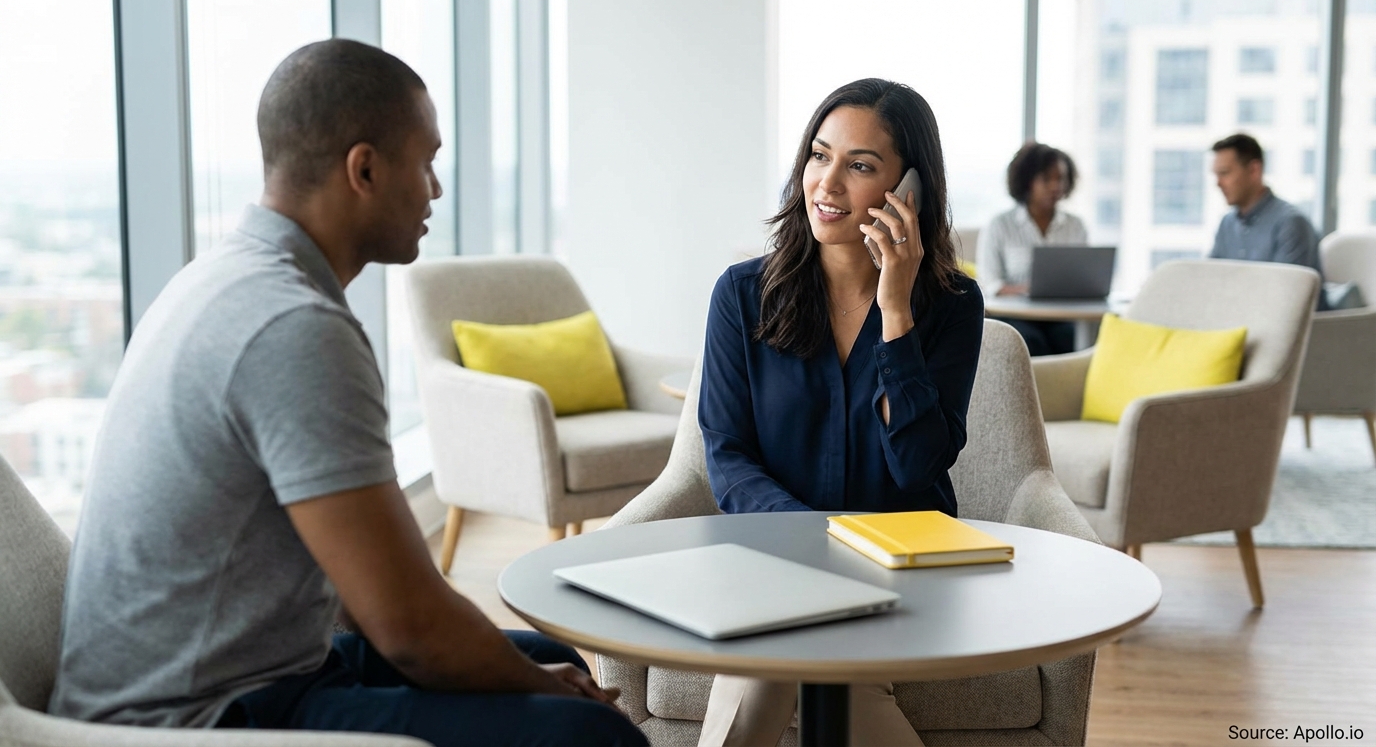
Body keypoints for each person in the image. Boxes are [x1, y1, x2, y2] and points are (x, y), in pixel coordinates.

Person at [47, 39, 645, 747]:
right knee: (588, 733)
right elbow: (411, 631)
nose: (437, 190)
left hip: (264, 666)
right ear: (364, 169)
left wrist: (542, 678)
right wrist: (550, 695)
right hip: (195, 716)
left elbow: (378, 599)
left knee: (555, 660)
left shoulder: (227, 276)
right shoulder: (292, 326)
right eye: (427, 163)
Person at [697, 78, 984, 746]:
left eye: (859, 166)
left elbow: (917, 465)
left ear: (908, 189)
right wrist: (811, 544)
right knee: (777, 642)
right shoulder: (742, 296)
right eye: (819, 156)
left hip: (898, 570)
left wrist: (897, 310)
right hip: (777, 563)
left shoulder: (952, 307)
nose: (827, 184)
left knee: (773, 648)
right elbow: (726, 456)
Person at [977, 141, 1088, 356]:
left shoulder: (1075, 226)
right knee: (1031, 341)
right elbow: (989, 283)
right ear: (1028, 182)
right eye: (1047, 179)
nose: (1056, 186)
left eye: (1061, 179)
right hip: (1015, 316)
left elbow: (1083, 278)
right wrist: (1028, 288)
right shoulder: (1000, 225)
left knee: (1075, 339)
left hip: (1061, 316)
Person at [1209, 133, 1321, 271]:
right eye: (1216, 175)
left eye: (1225, 173)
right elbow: (1211, 279)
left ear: (1254, 170)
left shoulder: (1291, 224)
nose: (1218, 183)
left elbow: (1289, 290)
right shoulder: (1227, 224)